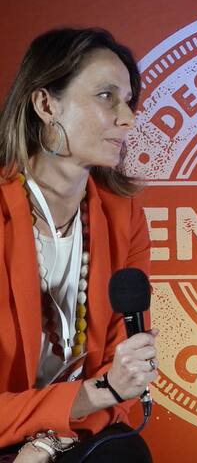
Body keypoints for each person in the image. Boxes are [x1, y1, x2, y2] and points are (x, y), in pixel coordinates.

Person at [0, 28, 158, 462]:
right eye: (106, 96)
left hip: (73, 430)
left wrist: (49, 438)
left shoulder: (124, 216)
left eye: (128, 101)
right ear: (46, 105)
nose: (128, 119)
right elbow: (108, 388)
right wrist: (96, 395)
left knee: (123, 455)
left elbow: (122, 379)